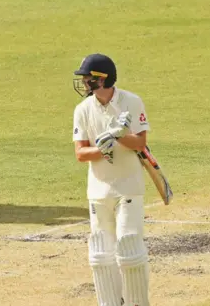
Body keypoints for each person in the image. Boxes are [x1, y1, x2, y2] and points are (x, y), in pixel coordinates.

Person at [71, 53, 151, 306]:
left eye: (88, 78)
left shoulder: (132, 101)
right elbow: (81, 153)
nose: (84, 83)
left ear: (103, 79)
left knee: (129, 249)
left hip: (128, 186)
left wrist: (120, 135)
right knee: (100, 254)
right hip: (98, 190)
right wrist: (103, 148)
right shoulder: (83, 109)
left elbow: (140, 143)